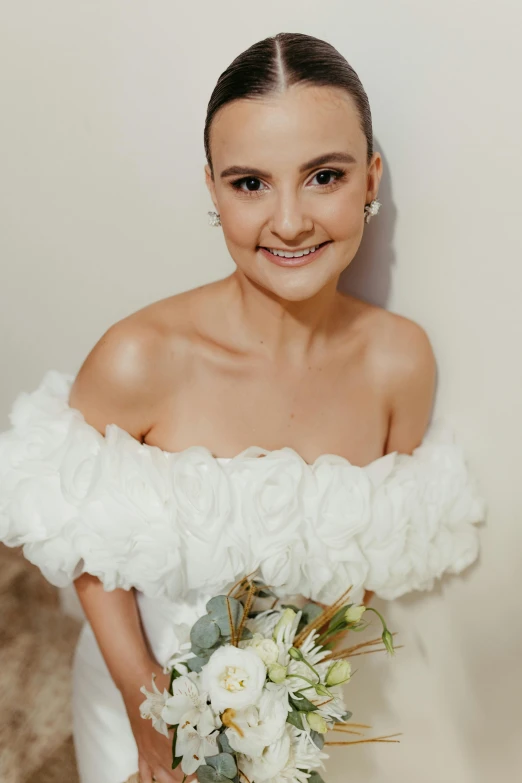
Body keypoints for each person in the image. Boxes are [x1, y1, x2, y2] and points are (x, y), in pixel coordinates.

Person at [0, 32, 485, 783]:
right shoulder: (138, 358)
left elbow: (364, 568)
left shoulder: (401, 363)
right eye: (250, 184)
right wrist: (148, 713)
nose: (288, 222)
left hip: (288, 727)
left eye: (323, 175)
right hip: (138, 694)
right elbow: (78, 539)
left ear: (369, 179)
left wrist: (282, 711)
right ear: (212, 189)